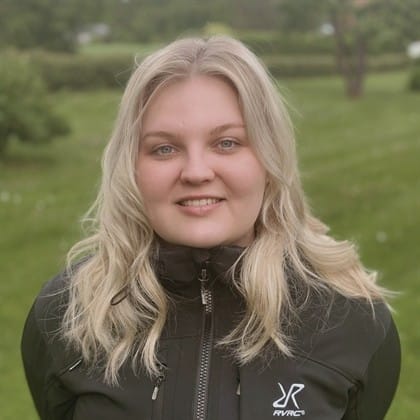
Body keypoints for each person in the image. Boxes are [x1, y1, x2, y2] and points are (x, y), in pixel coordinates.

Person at [21, 36, 400, 420]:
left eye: (227, 143)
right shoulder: (67, 314)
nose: (196, 172)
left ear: (269, 158)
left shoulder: (351, 318)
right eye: (164, 148)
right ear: (131, 166)